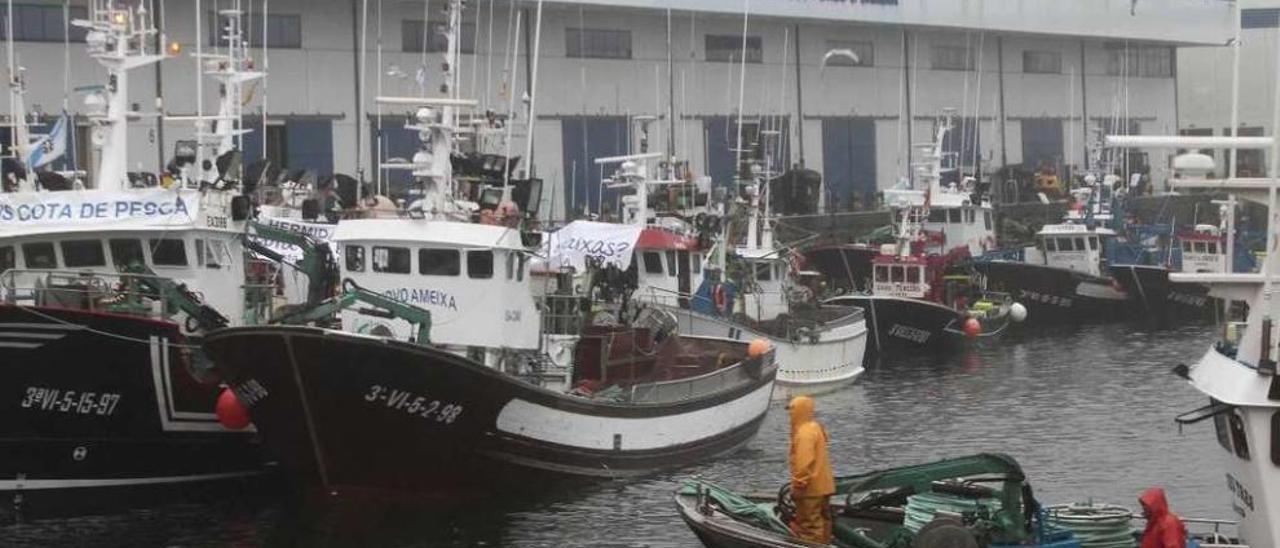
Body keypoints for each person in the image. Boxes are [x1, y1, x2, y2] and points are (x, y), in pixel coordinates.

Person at [788, 395, 835, 544]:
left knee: (810, 526)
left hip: (810, 489)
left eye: (792, 410)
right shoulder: (816, 427)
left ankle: (812, 545)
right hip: (824, 485)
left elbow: (804, 462)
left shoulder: (804, 433)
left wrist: (798, 484)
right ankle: (825, 543)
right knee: (824, 520)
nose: (790, 414)